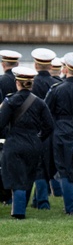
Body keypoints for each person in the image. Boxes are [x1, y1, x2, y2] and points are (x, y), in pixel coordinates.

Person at [1, 67, 54, 219]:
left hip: (14, 143)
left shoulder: (11, 101)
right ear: (31, 84)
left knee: (17, 178)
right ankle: (21, 206)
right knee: (29, 177)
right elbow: (49, 126)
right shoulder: (40, 103)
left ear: (17, 83)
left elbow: (1, 124)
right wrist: (39, 138)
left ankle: (18, 212)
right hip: (33, 144)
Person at [44, 52, 73, 215]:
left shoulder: (56, 89)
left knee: (64, 169)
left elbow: (47, 112)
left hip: (61, 131)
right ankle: (72, 201)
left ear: (65, 68)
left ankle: (71, 207)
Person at [29, 47, 59, 210]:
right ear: (50, 66)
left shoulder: (31, 83)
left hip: (34, 129)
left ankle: (41, 200)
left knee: (39, 166)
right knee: (50, 165)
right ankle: (40, 198)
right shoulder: (57, 84)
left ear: (35, 65)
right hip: (54, 130)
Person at [0, 50, 22, 205]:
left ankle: (4, 194)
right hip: (21, 128)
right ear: (18, 65)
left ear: (3, 65)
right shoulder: (22, 81)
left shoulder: (1, 81)